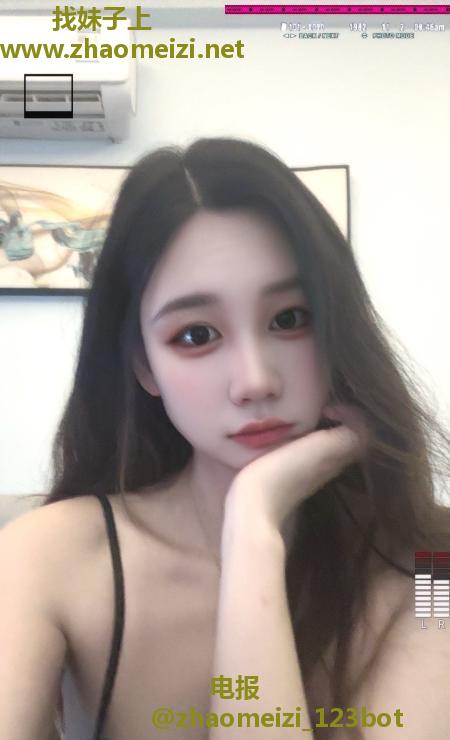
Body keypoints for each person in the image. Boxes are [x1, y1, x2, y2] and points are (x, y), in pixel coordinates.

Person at [0, 137, 449, 740]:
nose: (255, 381)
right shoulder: (41, 557)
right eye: (196, 335)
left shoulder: (435, 562)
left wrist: (252, 532)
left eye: (290, 318)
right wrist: (255, 525)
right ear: (144, 367)